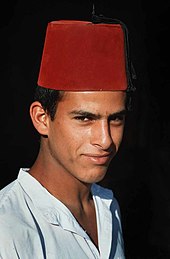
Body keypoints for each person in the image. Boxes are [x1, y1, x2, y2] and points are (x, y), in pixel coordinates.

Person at [0, 15, 135, 258]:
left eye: (115, 118)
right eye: (85, 118)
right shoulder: (8, 226)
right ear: (42, 118)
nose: (105, 140)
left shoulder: (107, 207)